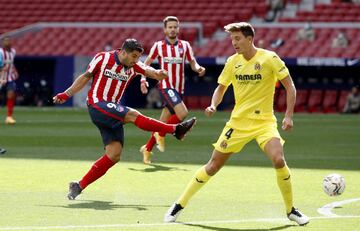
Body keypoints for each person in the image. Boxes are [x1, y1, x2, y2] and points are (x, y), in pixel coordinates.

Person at [164, 22, 309, 226]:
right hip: (238, 123)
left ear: (250, 39)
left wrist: (288, 115)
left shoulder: (270, 58)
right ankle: (179, 204)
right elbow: (220, 88)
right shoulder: (232, 61)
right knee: (213, 166)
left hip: (264, 122)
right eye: (232, 39)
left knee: (278, 160)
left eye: (237, 38)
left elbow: (290, 87)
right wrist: (213, 105)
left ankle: (291, 210)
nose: (234, 43)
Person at [53, 38, 196, 200]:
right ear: (123, 52)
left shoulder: (134, 66)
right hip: (97, 105)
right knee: (133, 115)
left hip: (112, 111)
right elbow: (85, 77)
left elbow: (149, 70)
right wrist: (66, 94)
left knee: (114, 155)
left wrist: (159, 74)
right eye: (133, 56)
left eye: (137, 57)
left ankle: (79, 185)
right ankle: (175, 130)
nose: (135, 60)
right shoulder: (103, 58)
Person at [139, 16, 206, 164]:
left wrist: (198, 68)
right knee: (183, 113)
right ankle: (162, 133)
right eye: (170, 27)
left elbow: (193, 63)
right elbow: (146, 63)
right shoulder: (158, 46)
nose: (173, 29)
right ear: (165, 30)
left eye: (175, 27)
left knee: (162, 121)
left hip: (179, 88)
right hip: (166, 86)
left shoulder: (185, 46)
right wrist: (143, 79)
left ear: (178, 29)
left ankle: (147, 149)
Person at [0, 36, 19, 124]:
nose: (7, 42)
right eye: (5, 41)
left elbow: (11, 64)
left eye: (8, 41)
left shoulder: (13, 52)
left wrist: (15, 71)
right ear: (3, 43)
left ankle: (9, 117)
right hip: (1, 78)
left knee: (11, 94)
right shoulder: (0, 52)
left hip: (10, 77)